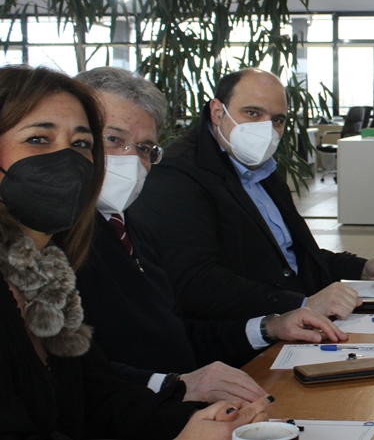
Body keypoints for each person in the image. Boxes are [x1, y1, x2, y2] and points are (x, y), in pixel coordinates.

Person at [0, 64, 271, 439]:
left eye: (81, 145)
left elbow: (99, 396)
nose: (68, 161)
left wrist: (190, 424)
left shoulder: (48, 273)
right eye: (38, 139)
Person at [74, 67, 345, 401]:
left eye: (144, 148)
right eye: (113, 140)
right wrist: (176, 386)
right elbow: (78, 377)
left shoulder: (129, 229)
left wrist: (269, 326)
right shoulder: (56, 246)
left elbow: (176, 334)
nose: (130, 160)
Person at [131, 68, 374, 321]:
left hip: (297, 320)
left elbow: (291, 256)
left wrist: (361, 269)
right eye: (252, 113)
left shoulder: (261, 169)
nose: (266, 129)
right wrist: (301, 304)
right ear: (217, 112)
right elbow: (195, 281)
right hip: (243, 335)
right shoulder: (177, 174)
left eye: (277, 120)